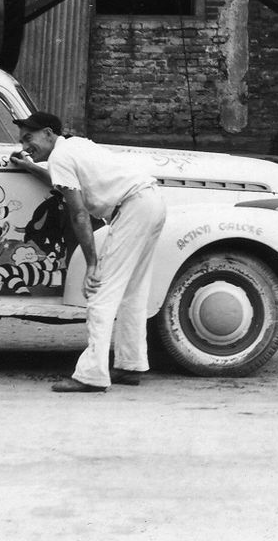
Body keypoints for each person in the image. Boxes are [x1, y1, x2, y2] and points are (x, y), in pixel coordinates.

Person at [9, 111, 166, 393]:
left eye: (28, 139)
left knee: (100, 291)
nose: (24, 148)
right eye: (21, 142)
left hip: (132, 208)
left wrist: (92, 263)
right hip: (151, 202)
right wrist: (32, 167)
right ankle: (130, 365)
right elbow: (68, 186)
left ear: (47, 133)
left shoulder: (60, 157)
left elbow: (79, 213)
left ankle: (91, 375)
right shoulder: (76, 145)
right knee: (133, 291)